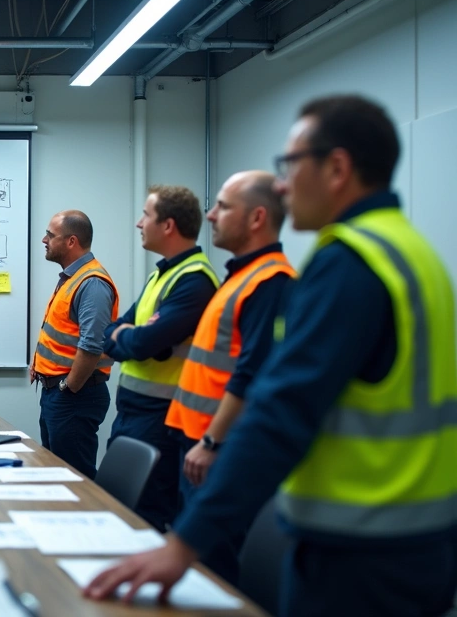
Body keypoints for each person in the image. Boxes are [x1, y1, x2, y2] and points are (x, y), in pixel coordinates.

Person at [86, 95, 457, 617]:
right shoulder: (414, 255)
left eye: (289, 165)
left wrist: (183, 543)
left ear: (337, 168)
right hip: (418, 540)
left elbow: (280, 409)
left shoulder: (348, 262)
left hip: (357, 550)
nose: (282, 185)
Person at [161, 171, 295, 584]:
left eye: (223, 206)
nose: (211, 215)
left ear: (256, 218)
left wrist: (212, 441)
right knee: (202, 570)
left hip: (217, 450)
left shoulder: (271, 281)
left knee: (215, 570)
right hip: (199, 442)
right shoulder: (239, 276)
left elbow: (252, 371)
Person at [103, 185, 218, 531]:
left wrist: (135, 338)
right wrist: (133, 336)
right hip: (132, 412)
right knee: (118, 508)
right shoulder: (161, 274)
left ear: (168, 225)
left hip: (161, 418)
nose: (139, 224)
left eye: (146, 216)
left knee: (144, 517)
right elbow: (113, 334)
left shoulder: (194, 281)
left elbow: (138, 343)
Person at [30, 210, 118, 479]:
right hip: (57, 394)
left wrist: (69, 387)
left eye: (50, 235)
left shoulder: (91, 283)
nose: (44, 240)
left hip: (74, 397)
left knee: (73, 479)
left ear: (71, 241)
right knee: (57, 474)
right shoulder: (72, 277)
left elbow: (92, 344)